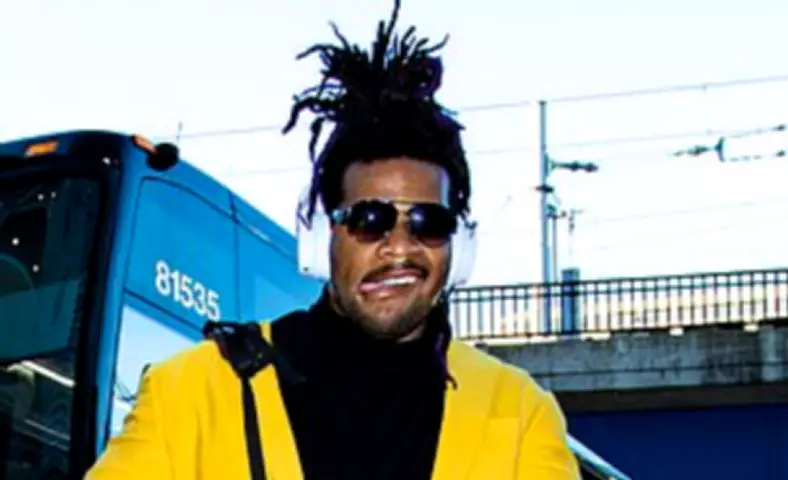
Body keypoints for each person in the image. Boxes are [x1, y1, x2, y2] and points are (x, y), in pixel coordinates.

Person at [84, 1, 580, 478]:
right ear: (321, 235)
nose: (400, 247)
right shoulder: (190, 395)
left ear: (460, 246)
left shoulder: (520, 414)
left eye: (428, 222)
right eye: (369, 219)